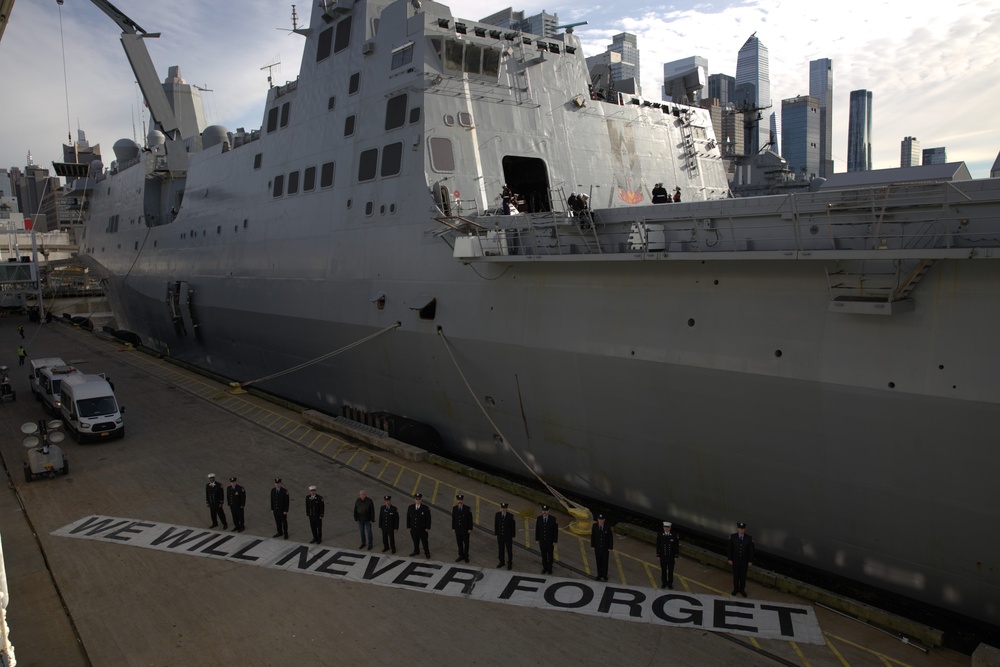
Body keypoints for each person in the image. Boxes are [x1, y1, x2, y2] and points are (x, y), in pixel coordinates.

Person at [727, 521, 755, 597]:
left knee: (743, 576)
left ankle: (742, 590)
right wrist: (729, 559)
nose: (741, 530)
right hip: (735, 561)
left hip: (744, 562)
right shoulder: (732, 537)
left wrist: (750, 561)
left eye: (742, 529)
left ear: (744, 530)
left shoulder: (749, 538)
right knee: (736, 576)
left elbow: (751, 551)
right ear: (737, 529)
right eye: (740, 528)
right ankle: (735, 589)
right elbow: (730, 549)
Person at [534, 505, 558, 574]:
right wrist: (537, 539)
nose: (545, 512)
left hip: (550, 542)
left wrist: (555, 541)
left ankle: (550, 568)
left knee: (550, 556)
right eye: (543, 511)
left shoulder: (553, 519)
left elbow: (555, 531)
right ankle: (545, 567)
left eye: (546, 511)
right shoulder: (539, 518)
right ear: (542, 511)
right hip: (542, 541)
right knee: (543, 555)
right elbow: (537, 529)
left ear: (548, 511)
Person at [406, 492, 432, 558]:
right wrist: (408, 526)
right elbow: (408, 517)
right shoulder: (410, 507)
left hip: (422, 529)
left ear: (421, 500)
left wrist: (427, 527)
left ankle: (427, 553)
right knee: (415, 541)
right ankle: (416, 551)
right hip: (413, 528)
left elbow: (428, 519)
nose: (417, 500)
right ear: (414, 500)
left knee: (424, 542)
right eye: (416, 499)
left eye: (419, 499)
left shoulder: (425, 508)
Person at [656, 521, 680, 589]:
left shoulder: (674, 535)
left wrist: (676, 555)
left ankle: (670, 583)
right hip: (663, 556)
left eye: (667, 527)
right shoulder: (660, 534)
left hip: (671, 557)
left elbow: (676, 546)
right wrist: (658, 553)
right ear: (663, 528)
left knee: (670, 571)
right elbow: (658, 544)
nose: (666, 529)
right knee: (663, 570)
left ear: (670, 528)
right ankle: (664, 583)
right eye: (665, 527)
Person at [590, 514, 614, 581]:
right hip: (597, 548)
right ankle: (599, 574)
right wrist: (592, 545)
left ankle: (605, 575)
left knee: (605, 562)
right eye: (599, 519)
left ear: (604, 520)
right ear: (597, 520)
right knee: (598, 561)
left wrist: (610, 547)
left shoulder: (607, 527)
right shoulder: (594, 526)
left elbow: (610, 538)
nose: (600, 521)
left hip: (605, 548)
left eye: (602, 520)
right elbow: (593, 536)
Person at [452, 494, 473, 563]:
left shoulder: (467, 509)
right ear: (456, 500)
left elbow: (470, 519)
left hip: (465, 530)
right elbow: (453, 519)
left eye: (460, 500)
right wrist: (453, 527)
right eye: (458, 500)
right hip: (458, 530)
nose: (459, 501)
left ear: (462, 500)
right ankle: (461, 555)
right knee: (459, 543)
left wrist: (470, 528)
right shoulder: (454, 508)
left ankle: (466, 556)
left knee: (466, 544)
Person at [495, 502, 515, 570]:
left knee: (509, 550)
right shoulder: (497, 515)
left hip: (508, 536)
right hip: (500, 536)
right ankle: (501, 562)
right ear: (500, 508)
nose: (503, 509)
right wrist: (496, 533)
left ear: (507, 509)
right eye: (502, 508)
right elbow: (496, 524)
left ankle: (509, 563)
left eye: (504, 508)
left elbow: (513, 527)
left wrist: (513, 536)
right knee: (501, 549)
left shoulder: (510, 516)